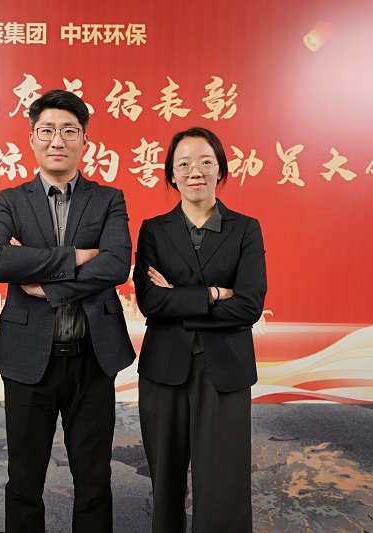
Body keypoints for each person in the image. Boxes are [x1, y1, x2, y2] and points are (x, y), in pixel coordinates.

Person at [0, 89, 136, 532]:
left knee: (94, 479)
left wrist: (48, 287)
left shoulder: (108, 198)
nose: (58, 140)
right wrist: (75, 256)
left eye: (69, 131)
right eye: (47, 130)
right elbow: (1, 261)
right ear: (32, 138)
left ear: (85, 140)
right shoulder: (10, 199)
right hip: (25, 357)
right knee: (24, 479)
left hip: (92, 358)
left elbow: (116, 263)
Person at [134, 127, 267, 532]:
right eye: (184, 164)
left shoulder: (246, 228)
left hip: (225, 368)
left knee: (224, 482)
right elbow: (150, 302)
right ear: (171, 174)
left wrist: (178, 299)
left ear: (220, 169)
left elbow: (249, 306)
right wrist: (212, 293)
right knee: (165, 481)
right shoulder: (153, 229)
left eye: (206, 161)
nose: (196, 171)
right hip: (164, 367)